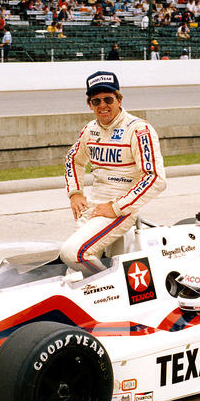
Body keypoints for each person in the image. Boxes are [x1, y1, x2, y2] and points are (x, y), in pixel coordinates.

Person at [60, 71, 166, 274]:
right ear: (89, 104)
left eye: (108, 99)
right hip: (93, 207)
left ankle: (112, 288)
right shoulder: (90, 130)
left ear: (118, 100)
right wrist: (75, 193)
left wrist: (117, 207)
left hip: (119, 208)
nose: (102, 105)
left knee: (74, 253)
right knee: (72, 274)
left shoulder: (139, 129)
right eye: (96, 100)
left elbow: (155, 178)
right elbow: (73, 159)